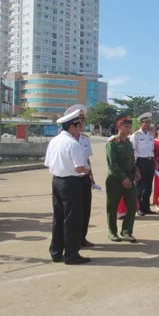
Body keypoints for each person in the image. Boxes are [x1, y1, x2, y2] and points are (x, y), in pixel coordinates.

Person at [44, 110, 91, 264]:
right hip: (71, 183)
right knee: (72, 220)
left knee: (58, 218)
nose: (81, 128)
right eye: (79, 125)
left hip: (56, 181)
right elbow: (79, 168)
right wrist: (87, 170)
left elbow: (47, 163)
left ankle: (56, 252)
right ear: (72, 126)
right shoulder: (73, 143)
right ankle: (71, 254)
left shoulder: (54, 141)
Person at [63, 104, 95, 247]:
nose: (82, 124)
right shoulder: (65, 140)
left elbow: (87, 160)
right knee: (72, 213)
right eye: (79, 121)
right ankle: (71, 240)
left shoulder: (84, 139)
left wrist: (91, 177)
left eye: (83, 121)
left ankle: (82, 237)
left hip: (84, 178)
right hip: (71, 179)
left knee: (85, 210)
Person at [106, 117, 139, 242]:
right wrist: (123, 178)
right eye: (126, 127)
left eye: (129, 127)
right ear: (119, 127)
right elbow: (112, 164)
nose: (129, 129)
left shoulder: (128, 142)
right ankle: (112, 232)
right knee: (112, 207)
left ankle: (126, 231)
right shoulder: (112, 143)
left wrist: (136, 170)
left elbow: (131, 160)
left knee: (132, 206)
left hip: (129, 179)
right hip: (115, 180)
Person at [131, 112, 155, 216]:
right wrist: (135, 166)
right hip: (141, 161)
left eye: (149, 123)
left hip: (150, 161)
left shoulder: (150, 135)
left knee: (148, 186)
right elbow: (132, 151)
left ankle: (146, 207)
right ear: (141, 123)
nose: (148, 125)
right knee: (140, 186)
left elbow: (152, 149)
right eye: (146, 122)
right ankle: (138, 208)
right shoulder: (136, 135)